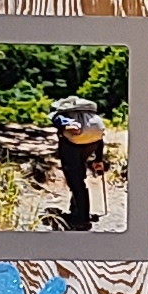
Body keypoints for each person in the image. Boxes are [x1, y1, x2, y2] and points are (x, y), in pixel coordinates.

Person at [52, 97, 110, 232]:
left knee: (76, 183)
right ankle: (76, 211)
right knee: (78, 180)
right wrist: (98, 159)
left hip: (71, 147)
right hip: (91, 145)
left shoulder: (61, 114)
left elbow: (57, 121)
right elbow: (99, 139)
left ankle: (81, 219)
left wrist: (66, 125)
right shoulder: (91, 117)